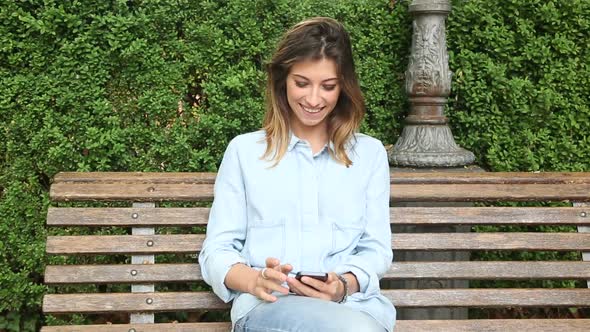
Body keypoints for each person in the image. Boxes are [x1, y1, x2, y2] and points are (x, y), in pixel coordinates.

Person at [198, 17, 396, 332]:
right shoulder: (245, 152)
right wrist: (254, 280)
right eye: (302, 83)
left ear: (343, 86)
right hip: (269, 309)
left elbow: (376, 249)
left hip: (354, 311)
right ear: (283, 80)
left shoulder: (369, 155)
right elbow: (217, 250)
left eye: (328, 86)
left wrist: (342, 285)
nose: (314, 99)